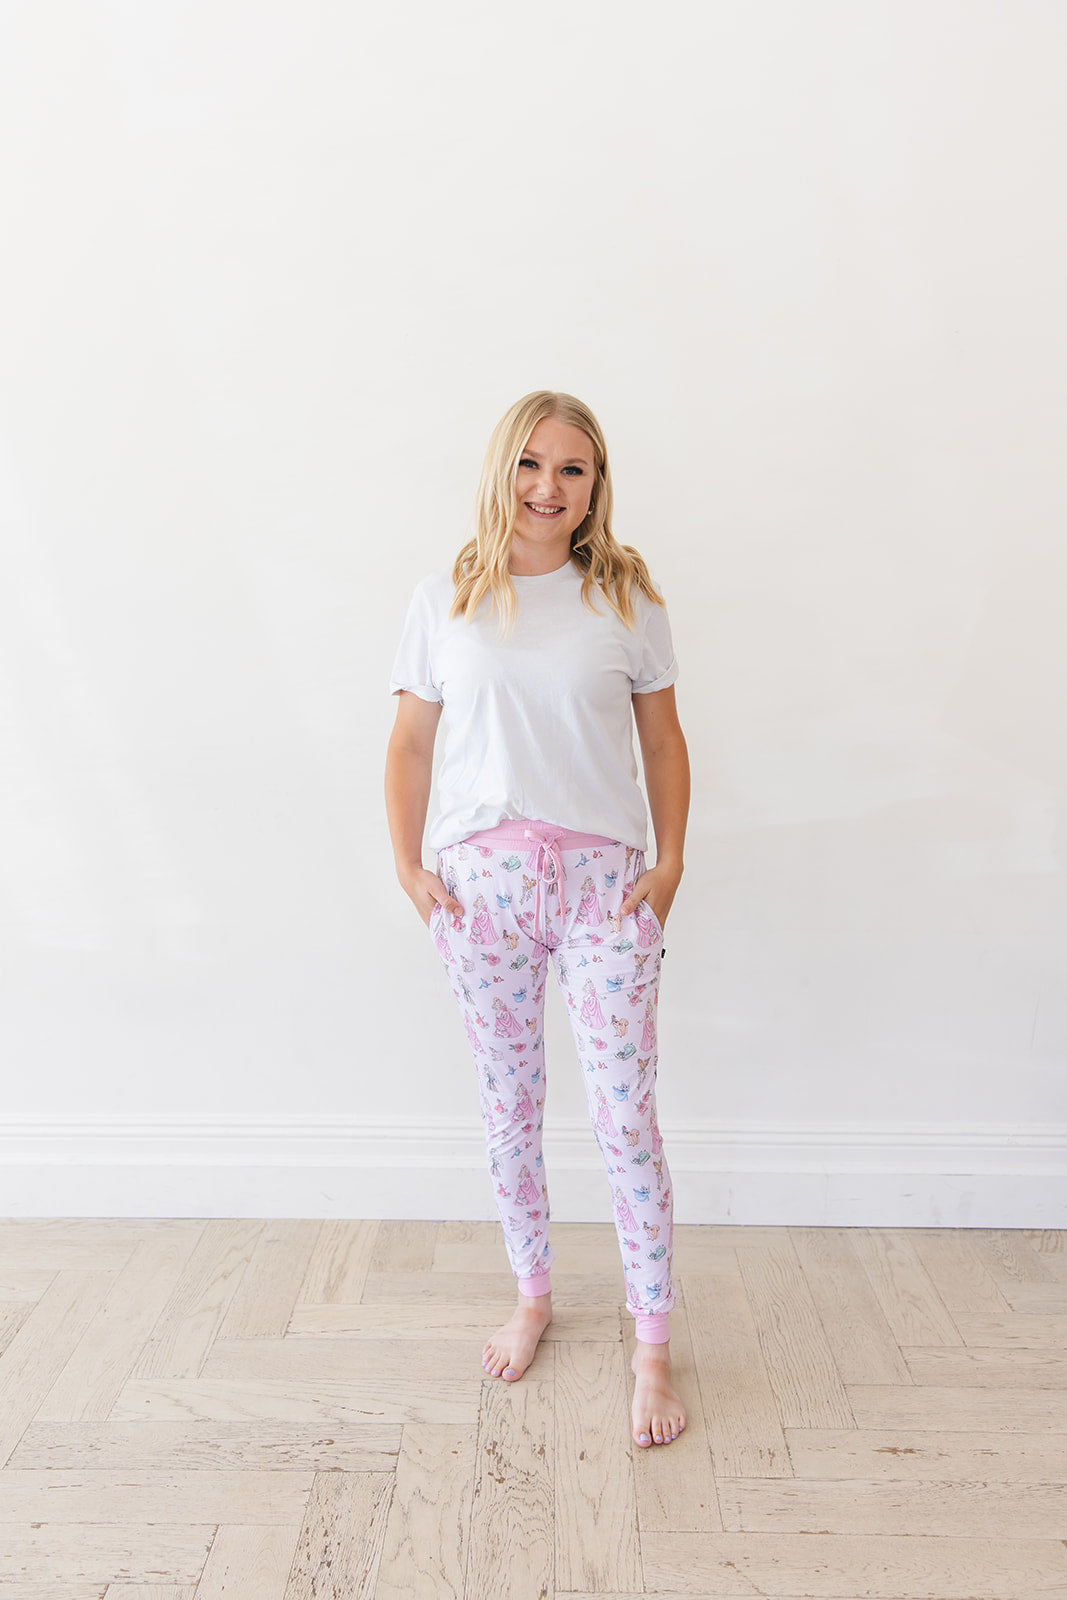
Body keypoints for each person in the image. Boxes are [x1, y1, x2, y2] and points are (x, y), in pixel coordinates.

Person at [384, 390, 690, 1450]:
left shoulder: (625, 598)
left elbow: (662, 742)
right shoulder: (446, 599)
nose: (547, 487)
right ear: (500, 470)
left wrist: (667, 866)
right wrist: (411, 869)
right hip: (485, 896)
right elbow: (410, 745)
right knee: (508, 1108)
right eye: (530, 463)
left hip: (604, 890)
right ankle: (532, 1293)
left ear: (595, 486)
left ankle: (651, 1343)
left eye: (571, 469)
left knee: (623, 1117)